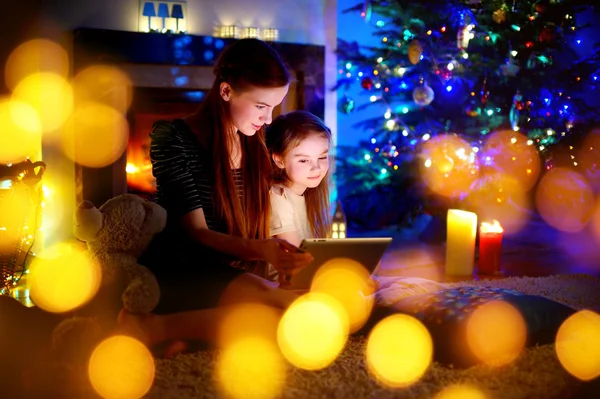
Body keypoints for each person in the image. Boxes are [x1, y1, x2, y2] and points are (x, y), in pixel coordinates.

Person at [118, 38, 313, 349]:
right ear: (226, 91)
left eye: (273, 108)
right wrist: (261, 250)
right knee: (281, 319)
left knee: (302, 311)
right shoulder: (172, 137)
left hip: (227, 268)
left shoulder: (254, 141)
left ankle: (193, 333)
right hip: (182, 265)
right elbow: (196, 233)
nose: (267, 119)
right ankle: (153, 327)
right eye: (261, 106)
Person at [267, 110, 332, 250]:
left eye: (322, 157)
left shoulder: (308, 195)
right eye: (304, 160)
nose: (316, 168)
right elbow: (299, 256)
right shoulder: (278, 197)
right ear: (279, 160)